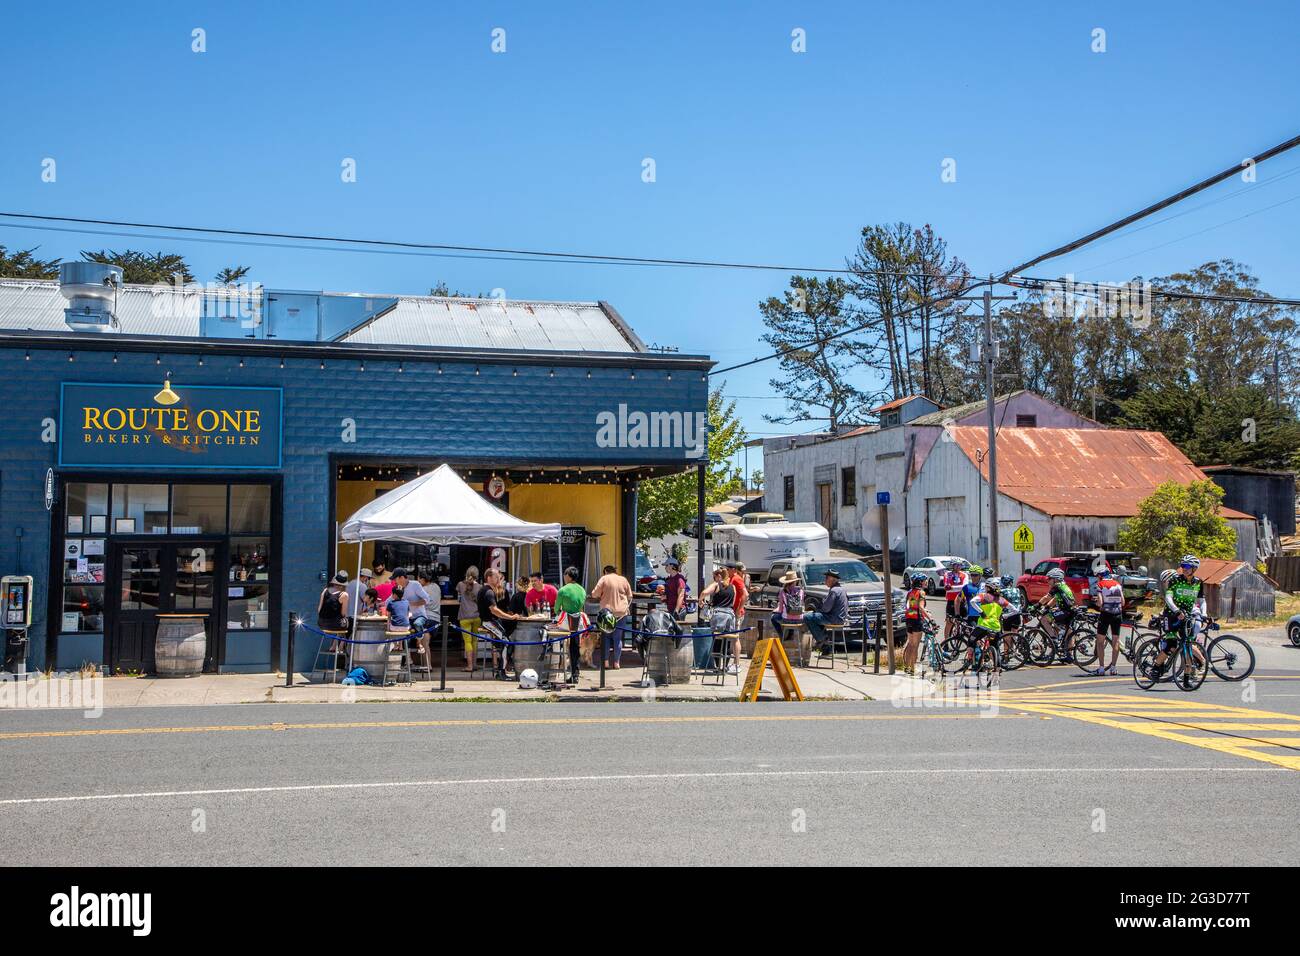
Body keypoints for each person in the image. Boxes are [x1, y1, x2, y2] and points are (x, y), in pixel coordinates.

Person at [1153, 555, 1208, 677]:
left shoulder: (1198, 582)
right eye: (1182, 566)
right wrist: (1176, 611)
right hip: (1171, 615)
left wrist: (1204, 614)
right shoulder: (1175, 580)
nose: (1184, 568)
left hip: (1186, 617)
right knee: (1171, 645)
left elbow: (1201, 600)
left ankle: (1188, 676)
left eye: (1187, 566)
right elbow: (1168, 597)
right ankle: (1156, 667)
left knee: (1187, 645)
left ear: (1194, 568)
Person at [478, 568, 522, 680]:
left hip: (492, 621)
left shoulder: (487, 590)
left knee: (506, 641)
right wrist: (510, 617)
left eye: (499, 577)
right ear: (489, 578)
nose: (498, 579)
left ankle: (501, 668)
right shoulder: (488, 592)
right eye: (496, 577)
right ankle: (501, 672)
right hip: (489, 622)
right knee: (506, 643)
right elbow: (494, 610)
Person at [590, 564, 633, 670]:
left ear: (605, 571)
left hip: (607, 613)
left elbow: (594, 594)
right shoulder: (623, 579)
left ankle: (605, 662)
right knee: (617, 638)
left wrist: (602, 595)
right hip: (621, 613)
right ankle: (617, 662)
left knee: (606, 637)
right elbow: (630, 596)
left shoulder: (604, 579)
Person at [393, 567, 438, 665]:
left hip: (419, 616)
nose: (394, 582)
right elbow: (391, 599)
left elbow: (427, 599)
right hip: (407, 618)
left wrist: (412, 604)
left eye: (395, 579)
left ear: (401, 578)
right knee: (402, 633)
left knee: (418, 623)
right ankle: (408, 660)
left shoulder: (415, 585)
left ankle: (419, 641)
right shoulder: (399, 589)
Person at [699, 566, 739, 673]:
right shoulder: (733, 587)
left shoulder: (717, 585)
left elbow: (704, 593)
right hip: (730, 615)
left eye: (714, 577)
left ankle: (717, 667)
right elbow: (733, 602)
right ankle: (725, 667)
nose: (713, 579)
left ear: (719, 576)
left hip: (718, 614)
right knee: (727, 641)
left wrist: (700, 602)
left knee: (716, 639)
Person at [802, 567, 847, 654]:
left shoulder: (834, 591)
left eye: (826, 578)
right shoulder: (841, 589)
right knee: (815, 618)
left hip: (834, 618)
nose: (825, 580)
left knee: (807, 617)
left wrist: (816, 611)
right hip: (839, 618)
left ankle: (823, 641)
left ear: (832, 580)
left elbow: (826, 609)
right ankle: (825, 646)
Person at [1033, 567, 1078, 656]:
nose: (1047, 580)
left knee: (1044, 619)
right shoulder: (1063, 585)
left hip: (1066, 612)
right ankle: (1068, 654)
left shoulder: (1057, 586)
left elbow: (1047, 597)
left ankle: (1054, 639)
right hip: (1070, 611)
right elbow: (1055, 599)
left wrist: (1036, 606)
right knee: (1067, 632)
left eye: (1049, 578)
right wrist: (1047, 607)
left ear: (1055, 579)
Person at [555, 567, 588, 683]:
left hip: (565, 623)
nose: (564, 577)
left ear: (568, 576)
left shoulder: (563, 590)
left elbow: (556, 609)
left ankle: (557, 669)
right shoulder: (582, 590)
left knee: (560, 645)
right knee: (575, 648)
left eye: (565, 574)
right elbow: (582, 606)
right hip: (578, 622)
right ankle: (575, 673)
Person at [1091, 570, 1126, 676]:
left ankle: (1101, 668)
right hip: (1117, 614)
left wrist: (1097, 602)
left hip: (1105, 614)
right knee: (1116, 641)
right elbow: (1123, 602)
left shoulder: (1100, 585)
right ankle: (1113, 668)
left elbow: (1101, 602)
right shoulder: (1117, 584)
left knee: (1100, 641)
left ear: (1101, 577)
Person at [902, 572, 932, 675]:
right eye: (925, 580)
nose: (926, 582)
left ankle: (906, 666)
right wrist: (930, 619)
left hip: (909, 619)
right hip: (917, 620)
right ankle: (913, 669)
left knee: (910, 644)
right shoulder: (921, 592)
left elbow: (910, 605)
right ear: (921, 582)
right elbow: (921, 607)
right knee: (915, 646)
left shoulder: (910, 592)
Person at [456, 567, 483, 670]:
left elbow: (458, 598)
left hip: (464, 616)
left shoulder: (460, 585)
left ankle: (469, 665)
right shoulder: (480, 587)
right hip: (476, 616)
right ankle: (475, 664)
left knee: (467, 641)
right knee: (475, 640)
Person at [942, 560, 968, 639]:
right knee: (949, 623)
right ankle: (946, 641)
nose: (958, 567)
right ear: (952, 566)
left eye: (959, 565)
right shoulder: (947, 574)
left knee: (964, 622)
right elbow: (947, 588)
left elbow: (965, 586)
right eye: (956, 565)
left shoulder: (964, 575)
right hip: (951, 601)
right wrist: (957, 588)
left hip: (962, 601)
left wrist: (952, 587)